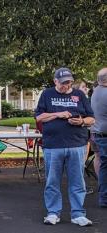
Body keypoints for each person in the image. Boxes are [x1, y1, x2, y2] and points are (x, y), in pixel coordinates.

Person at [35, 67, 95, 226]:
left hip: (77, 144)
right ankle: (53, 213)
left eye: (69, 82)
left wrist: (81, 121)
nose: (66, 86)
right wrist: (57, 114)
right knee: (52, 180)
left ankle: (78, 214)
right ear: (55, 81)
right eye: (62, 83)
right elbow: (40, 117)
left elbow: (92, 119)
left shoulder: (79, 95)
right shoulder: (47, 94)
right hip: (53, 145)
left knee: (77, 181)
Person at [91, 67, 107, 208]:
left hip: (96, 133)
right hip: (104, 135)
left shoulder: (96, 91)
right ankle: (104, 198)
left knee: (102, 164)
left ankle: (103, 197)